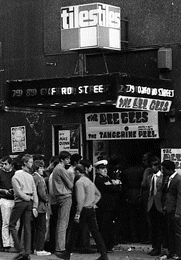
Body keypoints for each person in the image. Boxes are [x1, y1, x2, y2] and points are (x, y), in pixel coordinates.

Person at [66, 164, 109, 260]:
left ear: (77, 172)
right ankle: (103, 253)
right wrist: (93, 202)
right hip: (90, 208)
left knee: (74, 231)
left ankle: (67, 253)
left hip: (83, 209)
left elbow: (80, 200)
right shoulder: (89, 181)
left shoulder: (79, 182)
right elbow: (98, 194)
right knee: (95, 231)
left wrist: (77, 213)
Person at [9, 154, 38, 260]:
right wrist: (34, 204)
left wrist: (26, 198)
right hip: (30, 201)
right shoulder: (30, 176)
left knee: (12, 225)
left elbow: (18, 192)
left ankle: (20, 249)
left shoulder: (15, 177)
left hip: (21, 201)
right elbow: (34, 191)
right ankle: (27, 252)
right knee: (27, 227)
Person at [95, 159, 122, 252]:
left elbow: (118, 187)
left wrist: (115, 184)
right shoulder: (99, 179)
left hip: (110, 206)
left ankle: (109, 245)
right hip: (104, 206)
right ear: (97, 170)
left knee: (110, 226)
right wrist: (115, 183)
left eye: (105, 168)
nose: (105, 170)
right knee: (104, 227)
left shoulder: (107, 178)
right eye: (102, 169)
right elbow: (113, 188)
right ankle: (104, 246)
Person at [51, 151, 73, 258]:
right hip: (65, 195)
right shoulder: (61, 169)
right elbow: (70, 184)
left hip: (59, 196)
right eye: (67, 159)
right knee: (63, 223)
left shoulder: (56, 169)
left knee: (61, 221)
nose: (69, 161)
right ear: (62, 159)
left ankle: (59, 246)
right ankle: (61, 248)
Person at [161, 160, 181, 260]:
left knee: (177, 233)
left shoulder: (178, 179)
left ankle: (178, 253)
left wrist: (178, 212)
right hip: (169, 209)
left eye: (163, 169)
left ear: (169, 169)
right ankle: (172, 251)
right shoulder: (168, 179)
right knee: (170, 232)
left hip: (175, 211)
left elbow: (179, 196)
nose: (162, 171)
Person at [31, 160, 51, 256]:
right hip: (40, 206)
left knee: (36, 228)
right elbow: (42, 193)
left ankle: (35, 248)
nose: (43, 169)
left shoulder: (32, 177)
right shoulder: (39, 179)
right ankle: (40, 248)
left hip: (34, 206)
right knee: (42, 228)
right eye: (41, 167)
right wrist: (47, 199)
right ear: (37, 168)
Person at [146, 156, 164, 256]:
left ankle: (158, 247)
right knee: (153, 227)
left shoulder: (162, 177)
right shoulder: (150, 177)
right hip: (151, 204)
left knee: (159, 227)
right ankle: (154, 247)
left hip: (159, 204)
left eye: (154, 165)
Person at [0, 156, 16, 251]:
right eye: (2, 164)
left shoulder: (15, 173)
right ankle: (6, 244)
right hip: (4, 199)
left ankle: (12, 242)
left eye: (5, 164)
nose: (3, 166)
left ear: (11, 164)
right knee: (6, 222)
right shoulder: (0, 173)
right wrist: (4, 191)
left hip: (14, 199)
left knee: (14, 223)